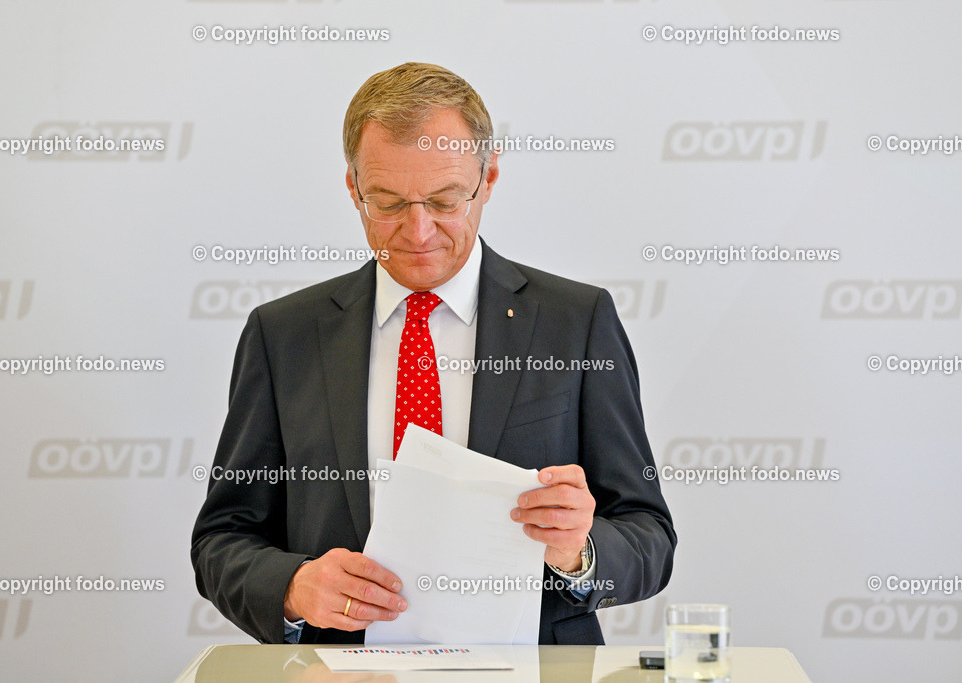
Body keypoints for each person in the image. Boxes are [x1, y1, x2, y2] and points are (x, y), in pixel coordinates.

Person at [192, 62, 675, 646]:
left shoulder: (576, 323)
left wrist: (579, 551)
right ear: (353, 188)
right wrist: (293, 588)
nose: (418, 232)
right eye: (388, 203)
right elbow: (222, 540)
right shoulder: (284, 334)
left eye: (445, 201)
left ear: (488, 179)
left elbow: (649, 537)